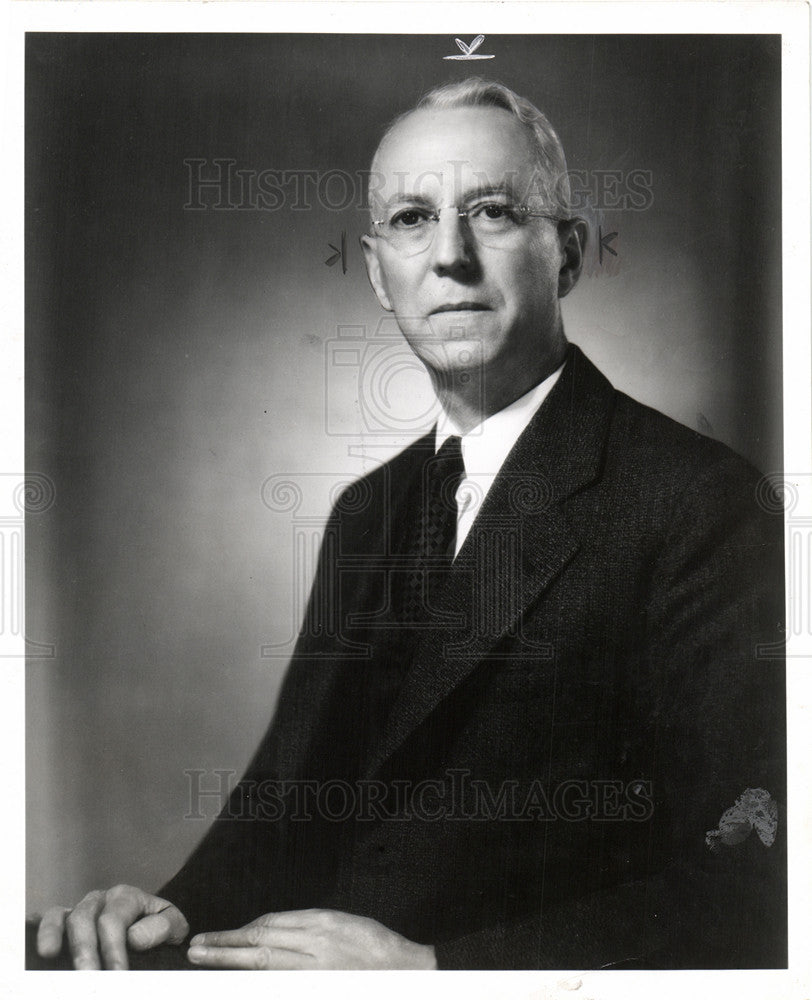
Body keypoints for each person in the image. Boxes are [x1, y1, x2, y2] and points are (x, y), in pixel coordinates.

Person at [33, 77, 786, 971]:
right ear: (377, 273)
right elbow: (283, 807)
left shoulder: (699, 501)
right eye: (410, 219)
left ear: (570, 255)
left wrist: (437, 975)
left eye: (494, 211)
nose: (450, 257)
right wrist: (168, 908)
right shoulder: (368, 514)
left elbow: (758, 889)